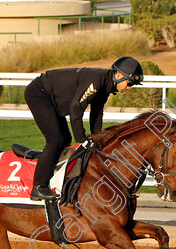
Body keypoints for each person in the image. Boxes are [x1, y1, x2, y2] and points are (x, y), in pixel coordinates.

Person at [25, 57, 144, 201]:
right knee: (55, 139)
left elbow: (96, 114)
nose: (129, 87)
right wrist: (82, 140)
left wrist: (97, 139)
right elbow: (76, 110)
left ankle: (55, 179)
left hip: (51, 96)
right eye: (130, 82)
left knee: (65, 139)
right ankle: (38, 187)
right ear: (118, 75)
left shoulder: (106, 86)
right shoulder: (96, 81)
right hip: (39, 93)